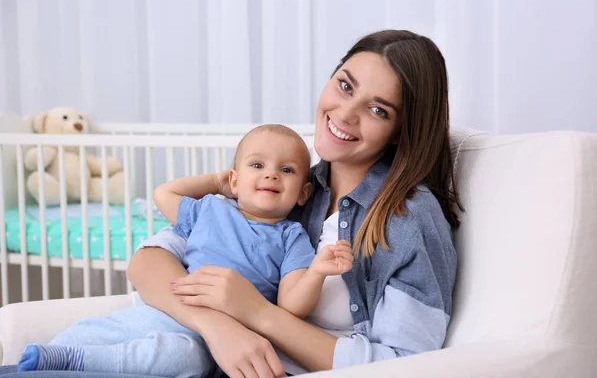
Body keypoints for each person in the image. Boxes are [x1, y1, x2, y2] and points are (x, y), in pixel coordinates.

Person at [126, 29, 462, 378]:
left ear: (402, 131)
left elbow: (408, 366)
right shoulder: (289, 188)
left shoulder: (409, 217)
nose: (345, 114)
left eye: (378, 110)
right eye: (345, 86)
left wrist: (258, 314)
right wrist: (217, 327)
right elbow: (148, 260)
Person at [16, 124, 354, 377]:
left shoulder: (291, 236)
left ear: (303, 193)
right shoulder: (210, 209)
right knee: (98, 330)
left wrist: (317, 272)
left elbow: (291, 305)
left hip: (214, 343)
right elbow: (164, 195)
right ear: (235, 181)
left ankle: (80, 361)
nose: (271, 175)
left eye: (287, 170)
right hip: (170, 309)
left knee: (186, 360)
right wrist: (217, 182)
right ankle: (52, 356)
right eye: (257, 165)